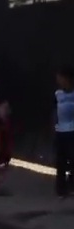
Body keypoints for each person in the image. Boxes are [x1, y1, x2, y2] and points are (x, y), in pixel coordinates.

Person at [53, 67, 74, 198]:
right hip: (60, 130)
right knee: (60, 160)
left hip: (72, 131)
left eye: (62, 78)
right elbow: (54, 111)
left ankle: (71, 184)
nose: (59, 81)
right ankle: (61, 187)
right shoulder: (57, 94)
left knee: (72, 159)